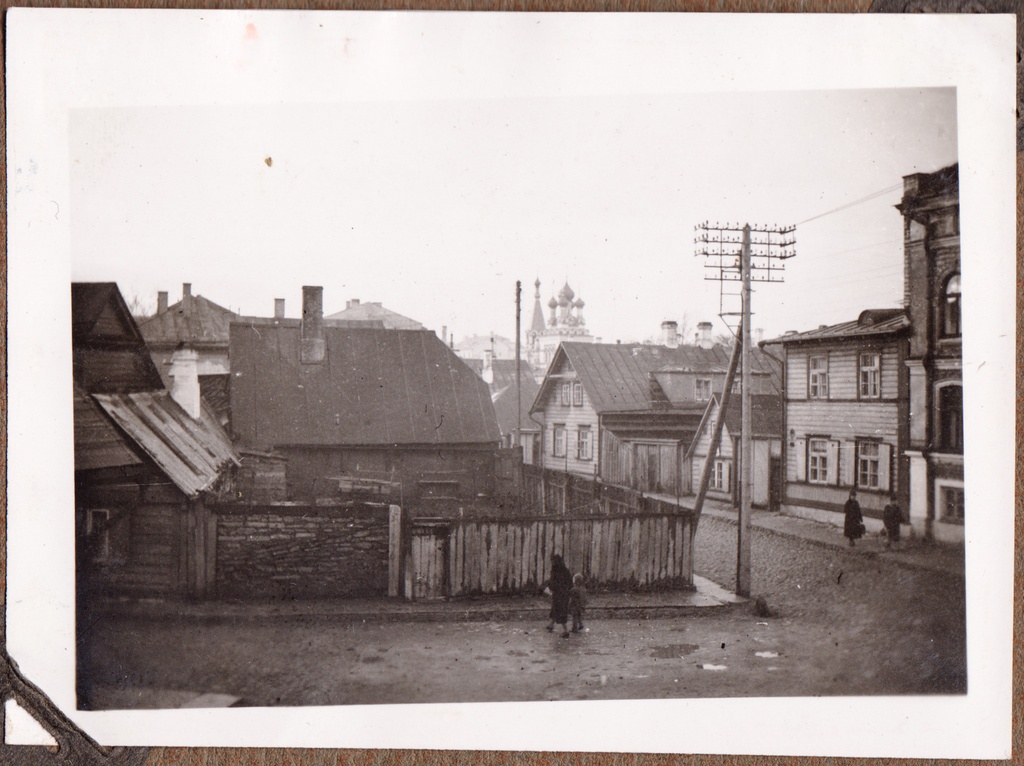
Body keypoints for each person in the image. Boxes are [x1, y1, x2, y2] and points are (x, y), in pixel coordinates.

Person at [544, 554, 573, 638]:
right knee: (555, 609)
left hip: (559, 594)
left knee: (560, 611)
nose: (552, 562)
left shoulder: (555, 571)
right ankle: (551, 624)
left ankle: (566, 630)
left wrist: (549, 585)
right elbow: (570, 583)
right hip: (564, 594)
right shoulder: (565, 570)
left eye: (553, 561)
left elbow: (553, 583)